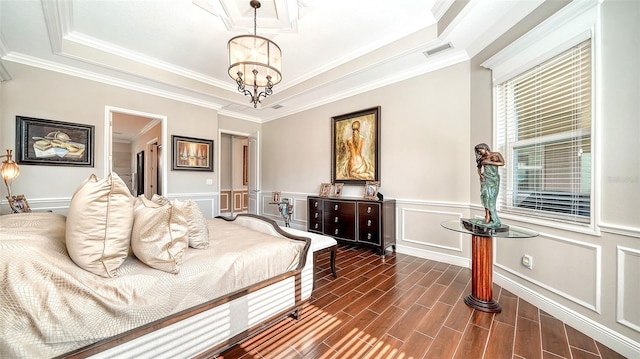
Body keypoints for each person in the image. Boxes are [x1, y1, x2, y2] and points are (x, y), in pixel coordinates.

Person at [474, 143, 505, 228]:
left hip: (494, 180)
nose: (479, 153)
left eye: (480, 151)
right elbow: (479, 168)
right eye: (478, 152)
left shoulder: (496, 154)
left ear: (484, 148)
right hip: (485, 179)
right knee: (486, 197)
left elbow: (502, 163)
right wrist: (481, 175)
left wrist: (489, 162)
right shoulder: (482, 158)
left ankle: (495, 219)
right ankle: (487, 217)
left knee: (492, 198)